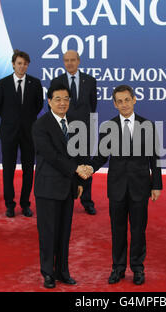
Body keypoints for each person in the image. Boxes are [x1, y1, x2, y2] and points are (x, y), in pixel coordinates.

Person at [89, 84, 162, 285]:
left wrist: (156, 184)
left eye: (127, 100)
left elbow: (155, 158)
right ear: (114, 104)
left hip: (140, 186)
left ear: (134, 100)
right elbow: (101, 157)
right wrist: (87, 169)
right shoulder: (108, 127)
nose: (124, 104)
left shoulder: (147, 125)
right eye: (119, 101)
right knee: (117, 230)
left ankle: (138, 268)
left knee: (139, 230)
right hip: (117, 187)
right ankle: (118, 268)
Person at [32, 83, 89, 289]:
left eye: (66, 99)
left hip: (68, 187)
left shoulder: (75, 123)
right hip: (47, 187)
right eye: (58, 99)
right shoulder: (40, 125)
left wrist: (81, 181)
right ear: (49, 101)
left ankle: (62, 271)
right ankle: (47, 273)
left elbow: (80, 153)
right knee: (48, 233)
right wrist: (75, 170)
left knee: (64, 233)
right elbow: (52, 156)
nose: (62, 103)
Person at [0, 50, 44, 218]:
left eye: (25, 64)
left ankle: (25, 204)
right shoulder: (3, 83)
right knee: (8, 169)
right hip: (8, 132)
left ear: (28, 65)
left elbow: (38, 106)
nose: (22, 66)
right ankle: (10, 205)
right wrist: (11, 120)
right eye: (19, 63)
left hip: (29, 133)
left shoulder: (35, 83)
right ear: (13, 64)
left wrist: (25, 121)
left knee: (28, 169)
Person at [50, 50, 98, 215]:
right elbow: (54, 106)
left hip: (84, 129)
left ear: (78, 61)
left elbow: (93, 106)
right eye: (66, 60)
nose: (69, 63)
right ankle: (64, 198)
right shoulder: (57, 81)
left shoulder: (90, 81)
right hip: (64, 129)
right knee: (65, 164)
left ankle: (87, 201)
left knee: (85, 164)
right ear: (63, 62)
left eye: (72, 60)